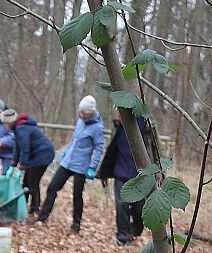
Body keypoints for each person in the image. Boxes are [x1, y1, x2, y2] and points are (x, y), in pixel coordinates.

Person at [37, 96, 105, 234]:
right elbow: (74, 140)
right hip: (67, 162)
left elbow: (99, 148)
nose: (81, 115)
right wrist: (64, 155)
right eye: (80, 112)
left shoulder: (97, 128)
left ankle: (76, 225)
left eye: (84, 113)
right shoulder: (80, 121)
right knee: (52, 188)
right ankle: (42, 218)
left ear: (90, 113)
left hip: (81, 166)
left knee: (77, 195)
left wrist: (93, 166)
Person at [97, 115, 148, 245]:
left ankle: (135, 230)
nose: (117, 115)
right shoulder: (118, 129)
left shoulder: (143, 125)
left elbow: (153, 147)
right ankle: (122, 237)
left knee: (139, 208)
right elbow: (111, 151)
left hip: (139, 176)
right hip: (121, 173)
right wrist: (103, 172)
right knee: (121, 206)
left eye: (120, 112)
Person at [10, 112, 55, 215]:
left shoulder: (21, 129)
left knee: (32, 181)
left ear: (11, 122)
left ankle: (35, 209)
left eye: (5, 124)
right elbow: (17, 147)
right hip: (36, 155)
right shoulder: (18, 128)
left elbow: (25, 149)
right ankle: (22, 205)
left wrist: (21, 167)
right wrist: (13, 165)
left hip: (43, 154)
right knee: (26, 182)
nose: (5, 126)